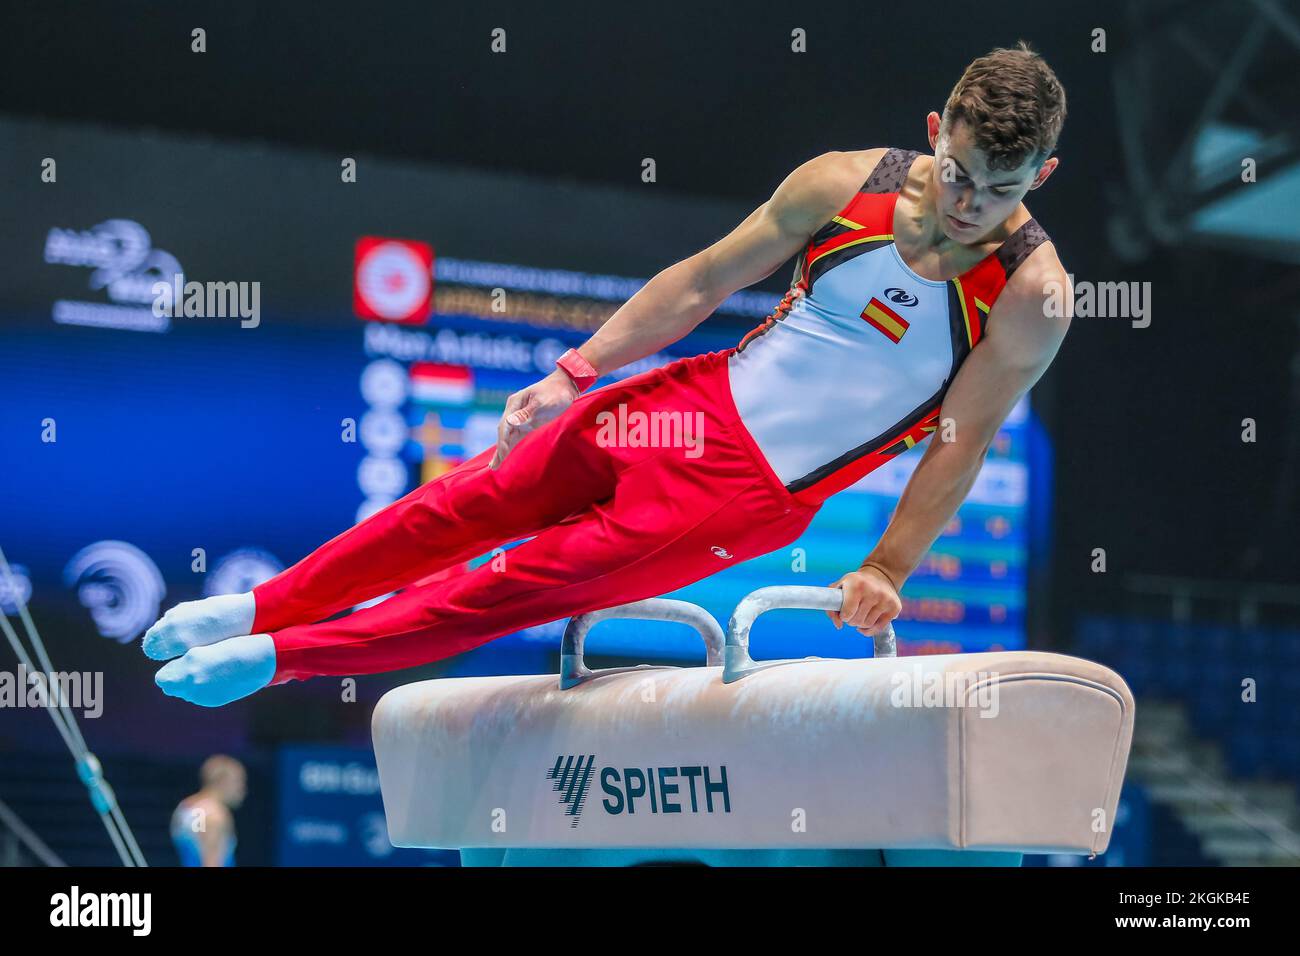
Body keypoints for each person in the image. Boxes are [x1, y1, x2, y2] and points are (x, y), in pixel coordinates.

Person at [147, 42, 1072, 707]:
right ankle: (256, 607)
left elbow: (962, 440)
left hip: (745, 494)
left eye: (1001, 188)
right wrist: (573, 372)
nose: (967, 204)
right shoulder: (845, 182)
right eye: (957, 174)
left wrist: (888, 564)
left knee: (507, 583)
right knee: (464, 502)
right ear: (932, 132)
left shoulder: (1031, 295)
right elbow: (703, 279)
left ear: (1044, 173)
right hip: (689, 400)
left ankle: (281, 657)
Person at [170, 755, 244, 866]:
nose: (243, 789)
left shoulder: (185, 807)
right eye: (239, 782)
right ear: (223, 781)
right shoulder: (216, 815)